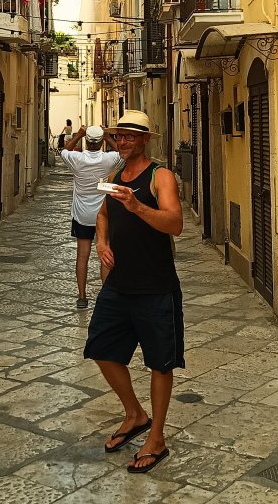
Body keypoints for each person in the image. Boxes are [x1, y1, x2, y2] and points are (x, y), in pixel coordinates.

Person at [84, 109, 184, 474]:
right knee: (100, 348)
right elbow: (103, 213)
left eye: (129, 136)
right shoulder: (113, 175)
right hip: (119, 285)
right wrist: (101, 242)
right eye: (118, 136)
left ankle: (156, 437)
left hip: (156, 286)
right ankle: (135, 414)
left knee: (161, 363)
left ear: (145, 139)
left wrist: (138, 205)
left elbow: (175, 224)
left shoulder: (161, 176)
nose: (122, 142)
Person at [59, 124, 120, 310]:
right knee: (106, 254)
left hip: (82, 213)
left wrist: (78, 134)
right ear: (101, 142)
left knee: (82, 256)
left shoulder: (76, 159)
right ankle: (106, 295)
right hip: (104, 212)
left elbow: (64, 150)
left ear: (87, 140)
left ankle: (82, 297)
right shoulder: (109, 159)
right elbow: (121, 152)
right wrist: (109, 136)